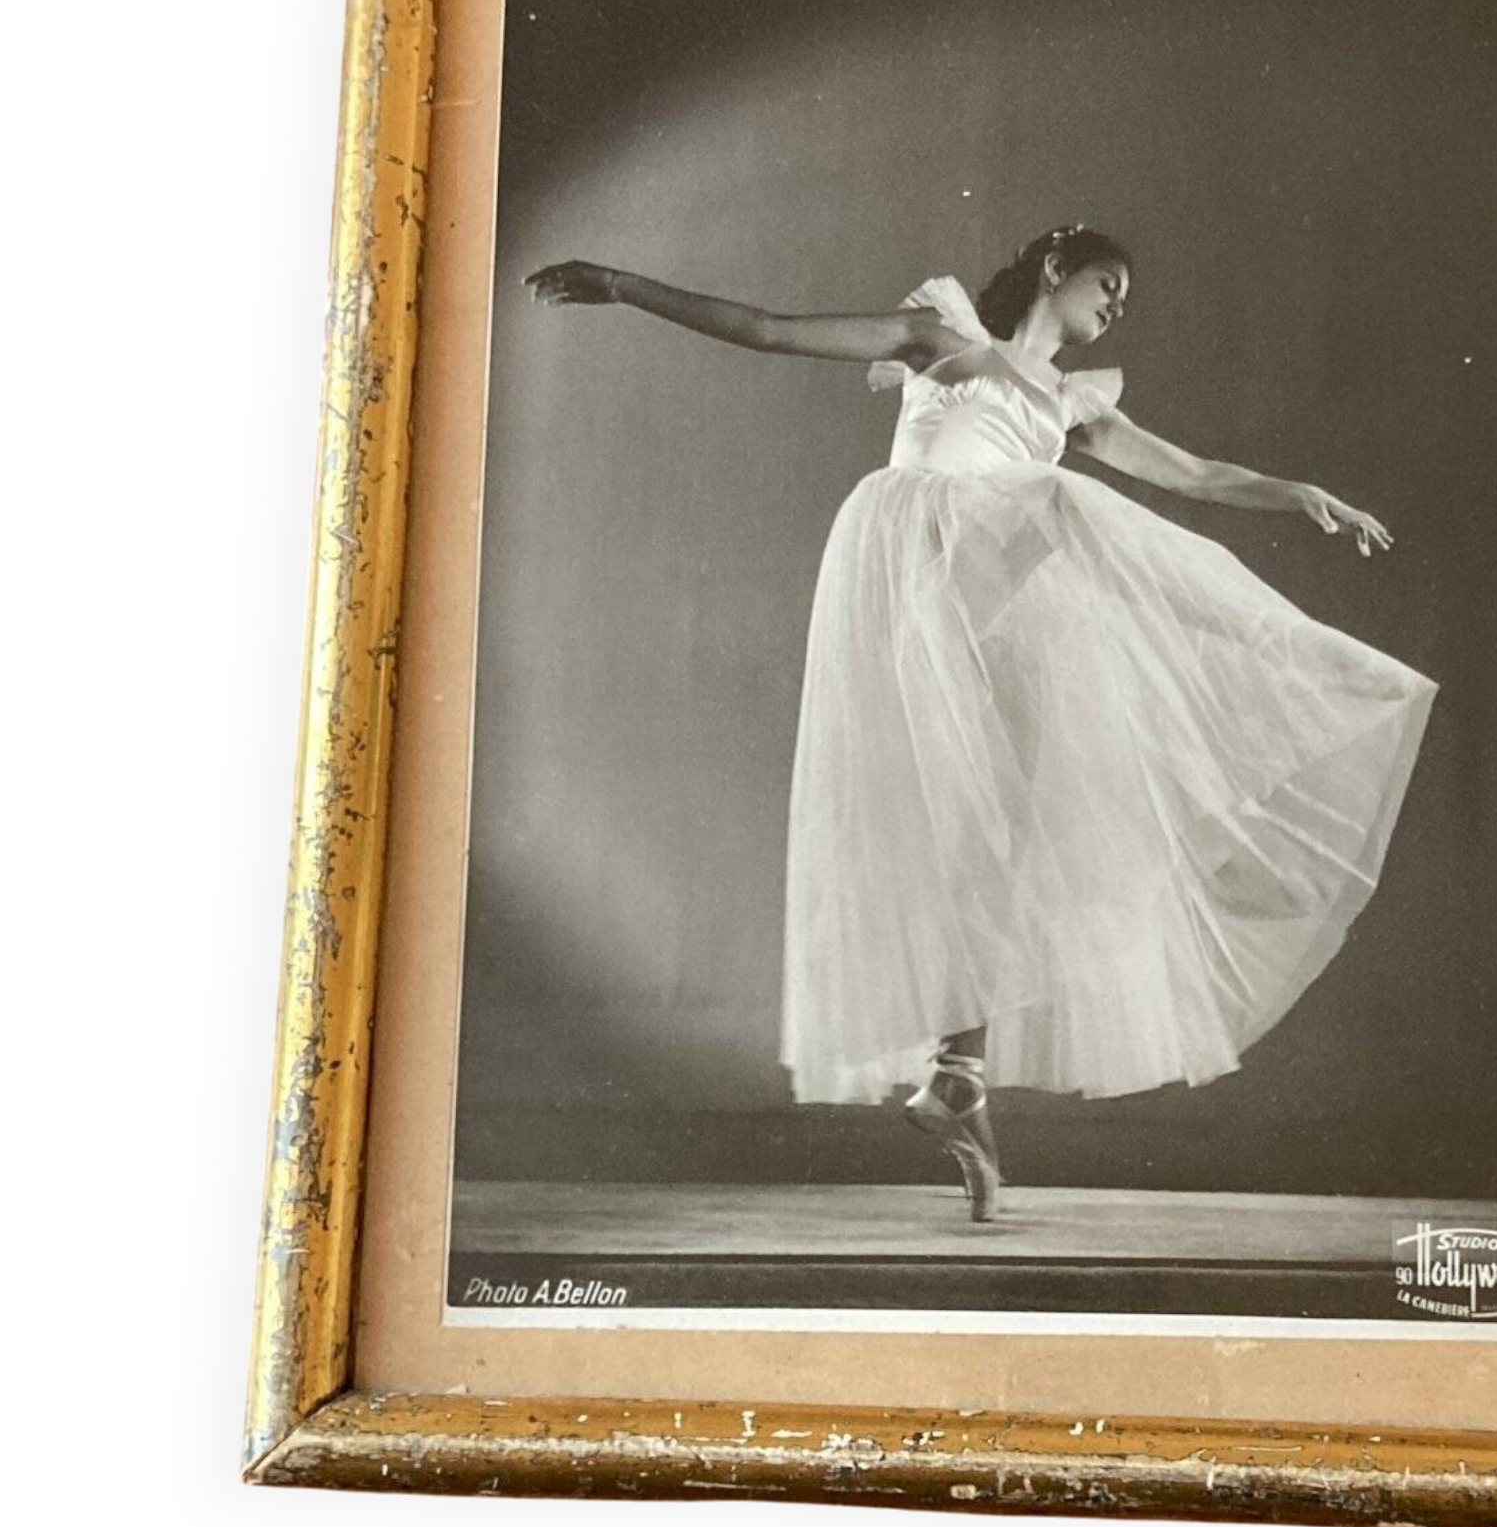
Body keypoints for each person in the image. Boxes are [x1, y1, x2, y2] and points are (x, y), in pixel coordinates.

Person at [524, 225, 1439, 1222]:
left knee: (997, 837)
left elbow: (1194, 472)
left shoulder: (1071, 400)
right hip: (922, 574)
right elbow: (771, 330)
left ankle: (959, 1068)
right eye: (1106, 282)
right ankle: (956, 1064)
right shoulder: (942, 335)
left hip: (1009, 615)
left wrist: (1298, 493)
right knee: (1045, 529)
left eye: (1123, 297)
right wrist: (619, 283)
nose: (1115, 304)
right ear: (1054, 267)